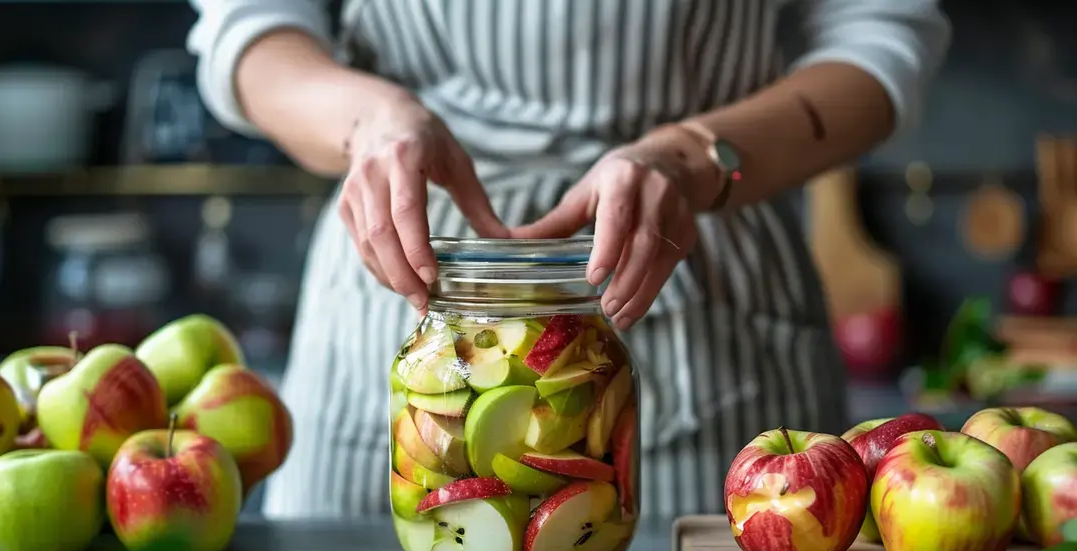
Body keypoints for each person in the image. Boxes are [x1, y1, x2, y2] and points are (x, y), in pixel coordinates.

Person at [187, 0, 951, 521]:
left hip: (698, 262)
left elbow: (880, 38)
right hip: (403, 276)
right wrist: (369, 121)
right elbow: (251, 29)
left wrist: (690, 159)